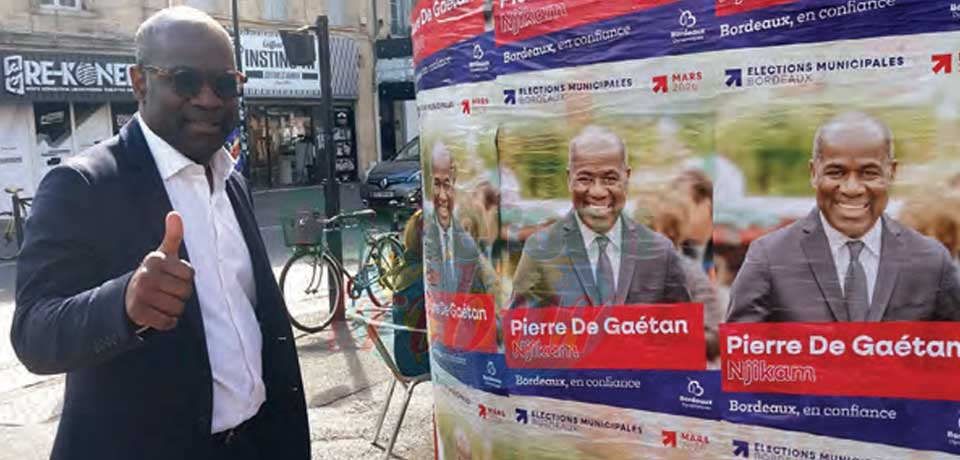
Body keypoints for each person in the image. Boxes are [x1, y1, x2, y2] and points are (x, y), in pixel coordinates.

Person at [11, 7, 309, 460]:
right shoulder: (83, 185)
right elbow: (33, 332)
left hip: (255, 442)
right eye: (186, 80)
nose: (209, 99)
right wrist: (123, 304)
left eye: (225, 83)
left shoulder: (232, 181)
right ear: (140, 82)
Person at [727, 112, 960, 323]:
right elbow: (741, 361)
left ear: (891, 173)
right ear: (814, 173)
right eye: (836, 172)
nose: (852, 188)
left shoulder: (931, 262)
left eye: (869, 173)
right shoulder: (769, 258)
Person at [509, 125, 689, 309]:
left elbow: (682, 330)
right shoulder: (541, 250)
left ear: (626, 178)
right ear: (569, 178)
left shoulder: (660, 252)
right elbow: (519, 332)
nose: (597, 191)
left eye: (610, 178)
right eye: (585, 179)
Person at [638, 190, 722, 362]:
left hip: (678, 378)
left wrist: (672, 334)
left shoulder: (692, 277)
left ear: (671, 233)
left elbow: (715, 339)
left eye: (648, 230)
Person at [423, 141, 488, 295]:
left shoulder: (468, 245)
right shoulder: (422, 234)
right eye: (436, 184)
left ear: (455, 184)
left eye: (447, 185)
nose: (442, 196)